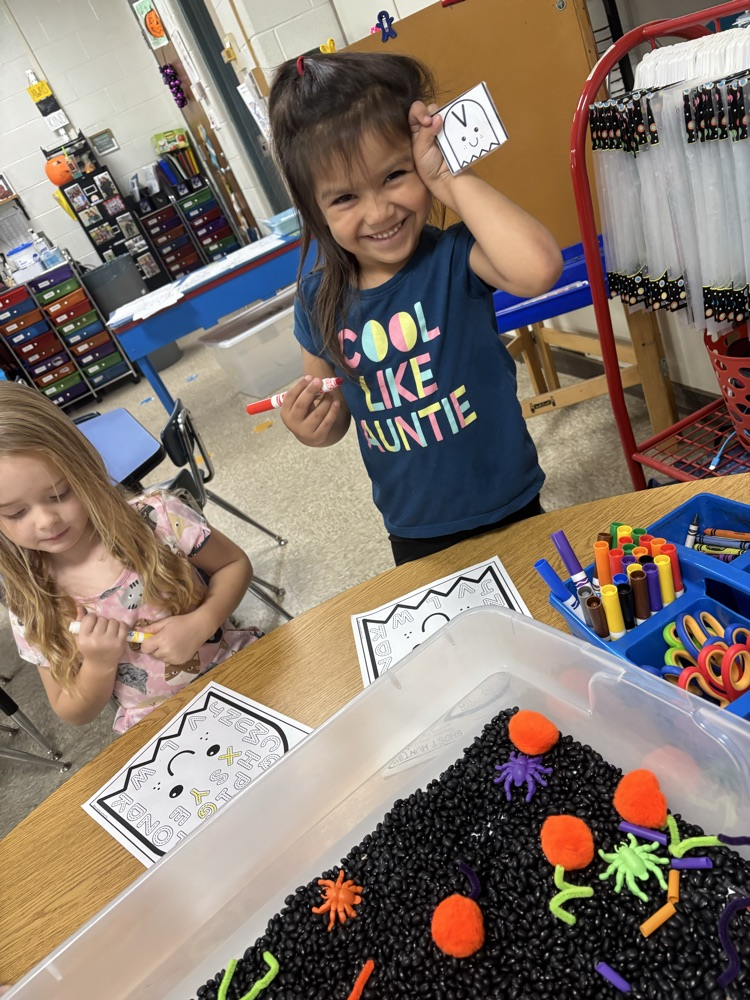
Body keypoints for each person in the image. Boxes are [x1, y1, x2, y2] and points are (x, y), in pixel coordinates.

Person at [269, 52, 563, 565]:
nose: (379, 212)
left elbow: (539, 269)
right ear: (314, 210)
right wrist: (311, 424)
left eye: (394, 175)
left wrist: (447, 178)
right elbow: (333, 411)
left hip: (508, 499)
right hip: (414, 526)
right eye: (344, 199)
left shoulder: (454, 256)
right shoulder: (317, 300)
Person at [0, 385, 262, 734]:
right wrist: (97, 663)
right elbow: (72, 710)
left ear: (83, 466)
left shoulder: (158, 518)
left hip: (240, 669)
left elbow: (234, 565)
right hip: (160, 728)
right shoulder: (28, 598)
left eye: (59, 494)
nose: (46, 521)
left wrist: (202, 622)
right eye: (16, 513)